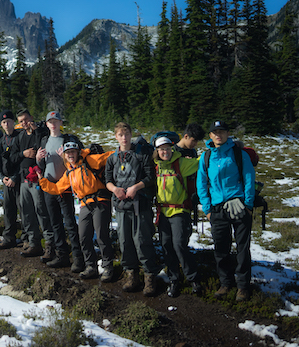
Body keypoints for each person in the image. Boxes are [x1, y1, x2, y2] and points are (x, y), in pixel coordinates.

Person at [37, 143, 116, 282]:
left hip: (100, 201)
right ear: (64, 156)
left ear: (78, 153)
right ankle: (91, 266)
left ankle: (108, 267)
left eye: (73, 152)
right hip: (85, 204)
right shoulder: (70, 171)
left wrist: (122, 149)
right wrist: (42, 180)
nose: (70, 155)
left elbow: (109, 156)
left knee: (102, 235)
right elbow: (57, 188)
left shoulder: (90, 160)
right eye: (67, 153)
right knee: (84, 236)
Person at [197, 120, 255, 302]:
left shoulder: (239, 154)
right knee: (221, 248)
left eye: (221, 131)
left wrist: (248, 205)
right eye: (215, 132)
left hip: (239, 206)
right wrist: (207, 209)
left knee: (242, 248)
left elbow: (249, 178)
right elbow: (201, 184)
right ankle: (225, 283)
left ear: (227, 133)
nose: (218, 135)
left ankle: (243, 286)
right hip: (217, 210)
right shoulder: (206, 157)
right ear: (210, 135)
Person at [105, 122, 161, 295]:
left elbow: (150, 177)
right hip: (121, 207)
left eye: (127, 134)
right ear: (116, 136)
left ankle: (150, 277)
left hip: (140, 205)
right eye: (121, 134)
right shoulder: (113, 158)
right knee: (125, 240)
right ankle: (131, 275)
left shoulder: (142, 154)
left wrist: (135, 187)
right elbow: (107, 180)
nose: (124, 137)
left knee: (142, 240)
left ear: (131, 134)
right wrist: (115, 189)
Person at [36, 111, 85, 272]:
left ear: (60, 122)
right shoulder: (44, 140)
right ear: (47, 123)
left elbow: (78, 160)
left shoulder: (68, 139)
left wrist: (64, 158)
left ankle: (78, 257)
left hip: (65, 187)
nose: (53, 124)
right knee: (55, 222)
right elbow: (43, 164)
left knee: (70, 223)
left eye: (55, 121)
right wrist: (38, 159)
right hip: (49, 186)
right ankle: (62, 255)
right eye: (50, 121)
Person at [154, 136, 201, 297]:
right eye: (161, 149)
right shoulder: (156, 166)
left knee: (179, 244)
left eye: (167, 148)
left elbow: (200, 162)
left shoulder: (181, 163)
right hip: (163, 213)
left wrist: (213, 148)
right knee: (166, 246)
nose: (164, 152)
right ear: (157, 152)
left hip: (180, 211)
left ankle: (193, 278)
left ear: (171, 149)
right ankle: (174, 279)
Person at [8, 109, 52, 258]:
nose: (24, 123)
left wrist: (37, 132)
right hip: (24, 179)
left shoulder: (40, 133)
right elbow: (12, 157)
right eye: (21, 121)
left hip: (37, 178)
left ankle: (50, 245)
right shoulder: (20, 137)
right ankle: (34, 244)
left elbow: (44, 149)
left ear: (31, 118)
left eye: (26, 119)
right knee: (26, 213)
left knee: (41, 212)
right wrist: (23, 154)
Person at [0, 110, 21, 250]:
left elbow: (23, 160)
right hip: (6, 180)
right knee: (8, 210)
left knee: (23, 210)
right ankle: (9, 237)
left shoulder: (20, 137)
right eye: (4, 122)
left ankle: (28, 238)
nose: (6, 124)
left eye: (9, 121)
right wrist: (1, 176)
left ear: (13, 123)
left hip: (20, 180)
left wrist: (15, 177)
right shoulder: (2, 141)